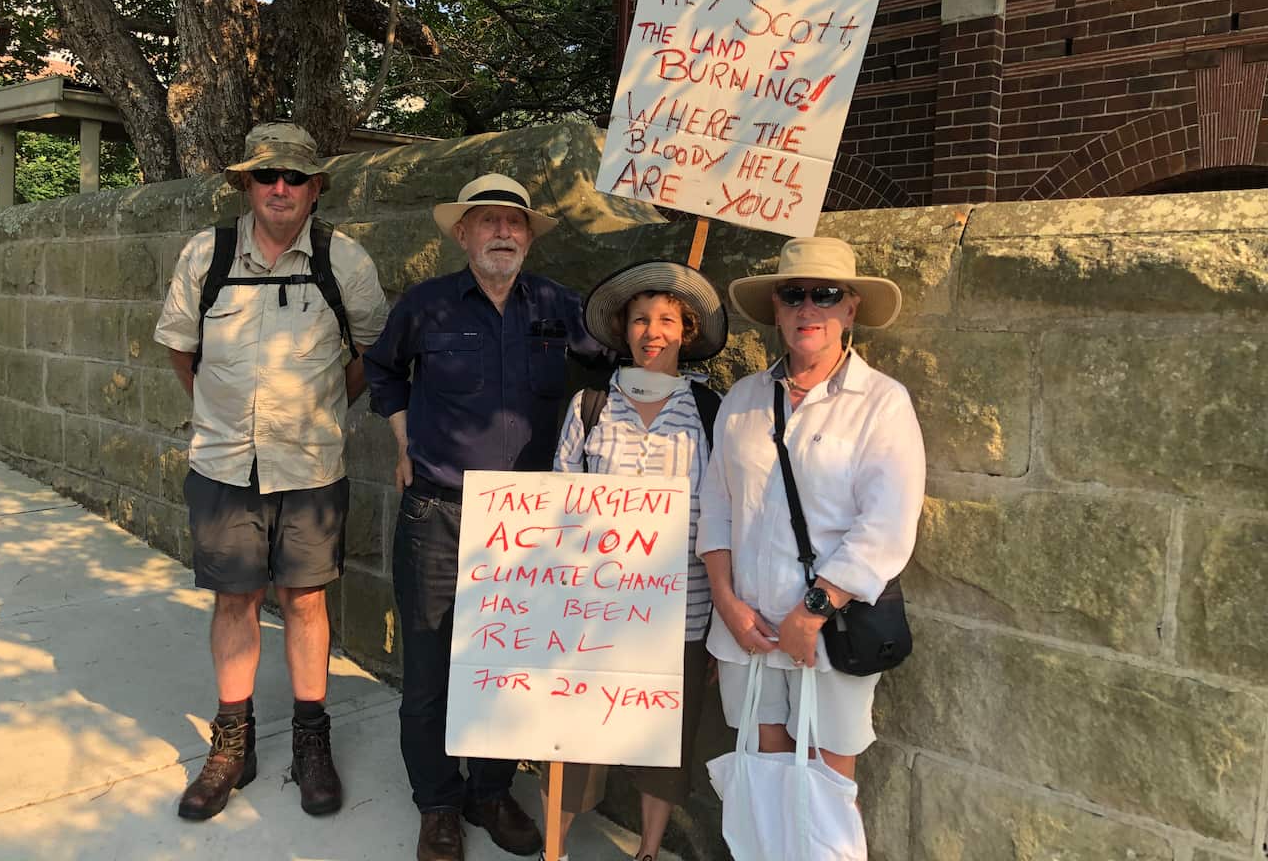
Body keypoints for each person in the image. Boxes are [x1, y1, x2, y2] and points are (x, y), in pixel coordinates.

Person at [363, 173, 612, 861]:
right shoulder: (426, 306)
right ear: (461, 233)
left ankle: (491, 790)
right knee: (431, 668)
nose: (502, 233)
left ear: (529, 237)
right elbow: (382, 371)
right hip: (439, 513)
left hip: (529, 525)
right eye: (487, 221)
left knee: (506, 667)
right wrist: (403, 441)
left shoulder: (561, 307)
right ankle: (438, 802)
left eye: (515, 223)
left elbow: (616, 367)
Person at [154, 122, 389, 821]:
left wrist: (324, 408)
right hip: (224, 462)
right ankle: (232, 742)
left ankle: (311, 739)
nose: (280, 188)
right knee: (234, 600)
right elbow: (180, 349)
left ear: (317, 186)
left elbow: (373, 350)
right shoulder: (208, 253)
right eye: (266, 176)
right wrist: (217, 413)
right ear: (245, 184)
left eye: (294, 176)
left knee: (306, 602)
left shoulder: (344, 261)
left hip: (311, 465)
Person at [697, 237, 925, 792]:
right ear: (775, 309)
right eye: (793, 295)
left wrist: (813, 610)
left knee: (826, 776)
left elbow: (887, 524)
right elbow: (717, 509)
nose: (808, 309)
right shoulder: (744, 400)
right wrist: (726, 603)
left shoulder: (881, 402)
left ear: (850, 309)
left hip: (830, 627)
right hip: (748, 627)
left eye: (825, 295)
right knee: (761, 765)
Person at [543, 260, 728, 861]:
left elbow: (727, 515)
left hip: (682, 610)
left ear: (687, 332)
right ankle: (556, 846)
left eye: (668, 320)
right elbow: (559, 503)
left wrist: (724, 618)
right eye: (641, 319)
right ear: (623, 330)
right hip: (593, 608)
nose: (653, 331)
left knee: (663, 739)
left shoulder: (709, 412)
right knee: (574, 734)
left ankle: (648, 851)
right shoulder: (590, 406)